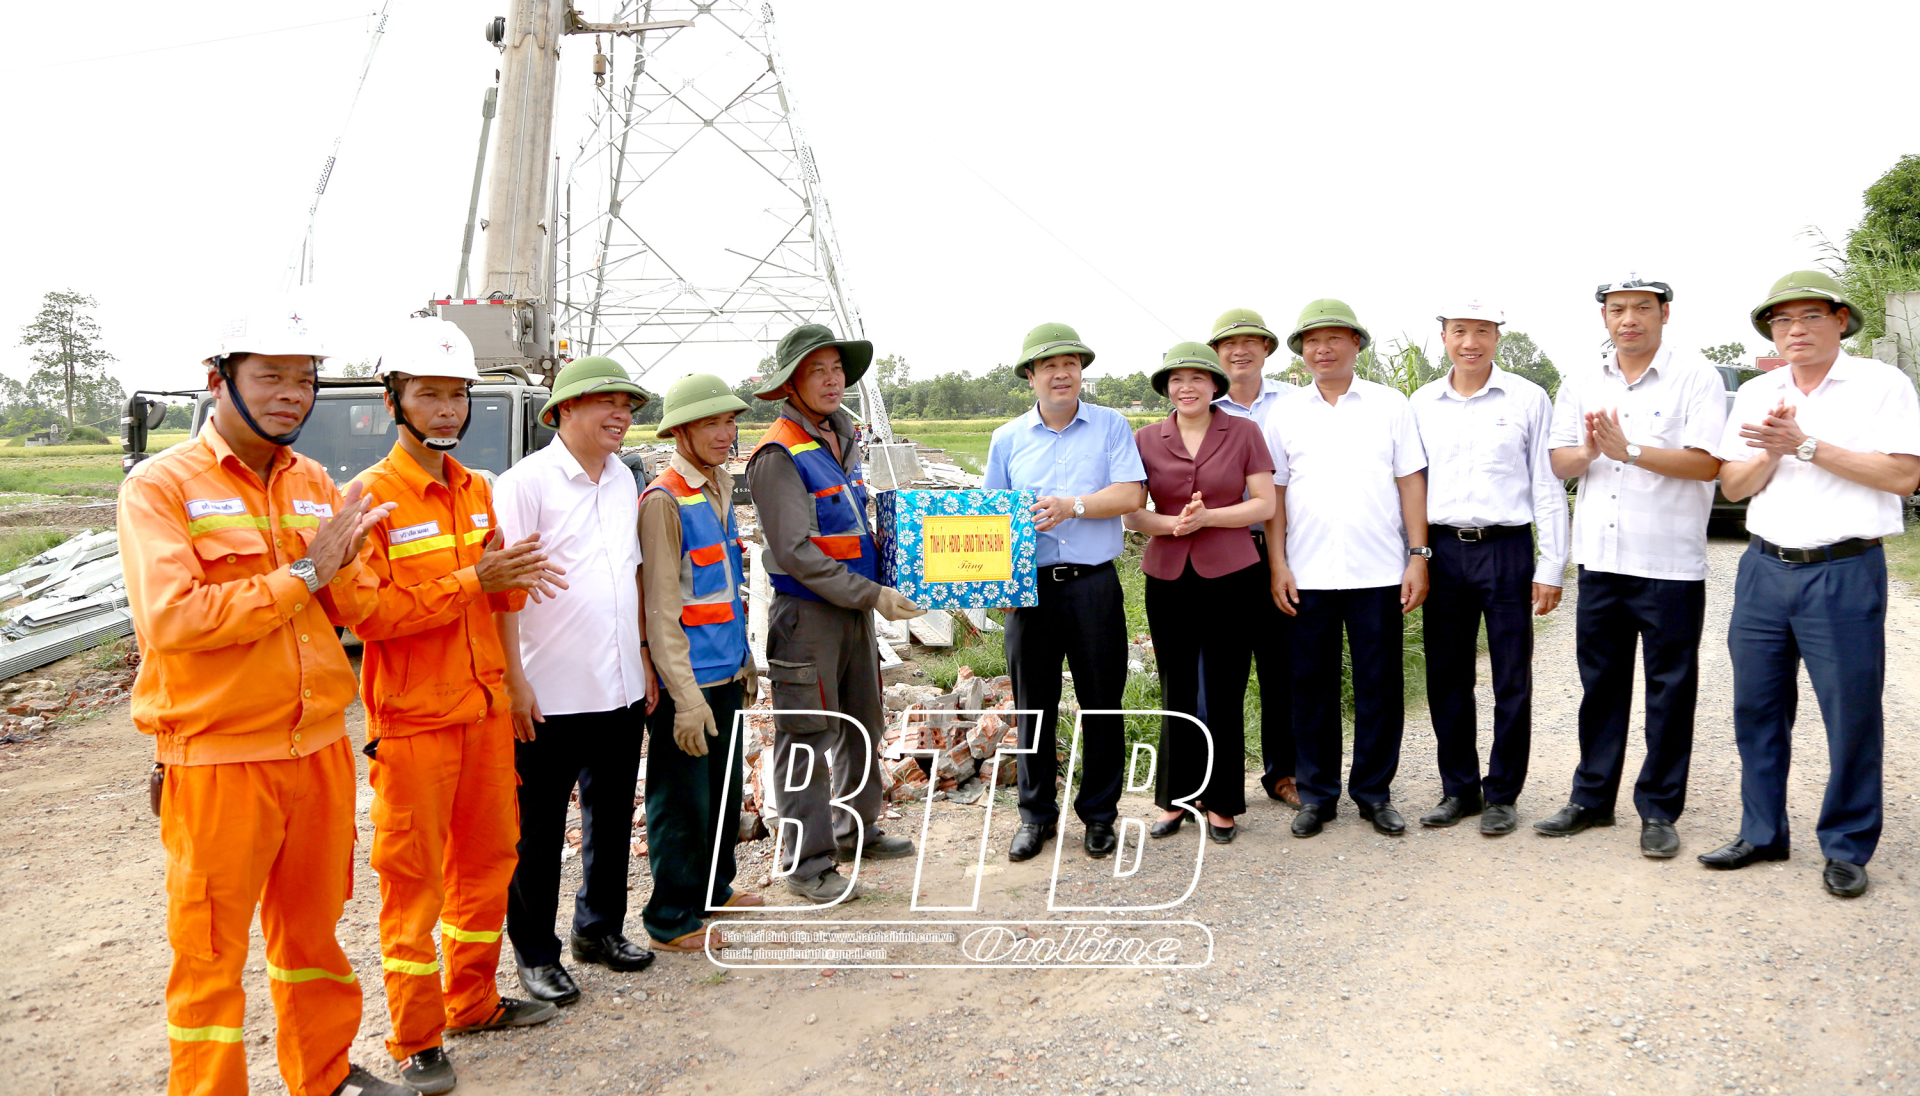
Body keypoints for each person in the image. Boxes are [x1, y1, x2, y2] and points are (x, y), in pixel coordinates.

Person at [119, 301, 413, 1096]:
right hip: (218, 759)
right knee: (210, 955)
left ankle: (323, 1076)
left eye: (304, 380)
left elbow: (353, 606)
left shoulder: (315, 482)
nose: (292, 394)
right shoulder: (162, 487)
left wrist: (366, 557)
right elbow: (176, 620)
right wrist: (309, 572)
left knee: (313, 935)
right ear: (219, 382)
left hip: (316, 748)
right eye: (271, 377)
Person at [351, 320, 567, 1093]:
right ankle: (415, 1037)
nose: (446, 410)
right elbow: (369, 616)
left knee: (488, 863)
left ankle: (472, 1000)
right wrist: (476, 580)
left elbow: (498, 592)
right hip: (413, 723)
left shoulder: (475, 490)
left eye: (456, 395)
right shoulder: (370, 500)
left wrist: (515, 590)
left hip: (480, 710)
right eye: (429, 395)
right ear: (393, 403)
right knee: (414, 881)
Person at [1701, 271, 1920, 898]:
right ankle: (1762, 831)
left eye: (1809, 318)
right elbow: (1735, 487)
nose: (1795, 330)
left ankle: (1847, 847)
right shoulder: (1758, 391)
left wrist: (1804, 445)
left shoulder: (1881, 384)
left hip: (1844, 570)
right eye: (1782, 321)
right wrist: (1770, 452)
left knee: (1850, 714)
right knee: (1756, 709)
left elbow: (1904, 476)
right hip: (1765, 569)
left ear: (1841, 320)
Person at [1539, 275, 1728, 858]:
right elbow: (1560, 463)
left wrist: (1633, 451)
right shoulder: (1581, 380)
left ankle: (1659, 809)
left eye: (1642, 309)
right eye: (1617, 310)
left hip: (1669, 562)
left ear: (1664, 314)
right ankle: (1592, 799)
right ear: (1604, 319)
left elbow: (1707, 465)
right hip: (1601, 560)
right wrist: (1594, 450)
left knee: (1669, 690)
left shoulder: (1696, 377)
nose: (1629, 319)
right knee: (1601, 686)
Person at [497, 356, 659, 1006]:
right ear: (564, 409)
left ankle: (599, 930)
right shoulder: (524, 484)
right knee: (535, 833)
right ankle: (536, 954)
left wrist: (644, 657)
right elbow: (503, 588)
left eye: (628, 404)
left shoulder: (625, 480)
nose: (621, 415)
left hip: (618, 686)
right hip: (548, 691)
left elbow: (634, 574)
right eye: (606, 403)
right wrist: (513, 680)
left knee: (613, 817)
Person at [747, 325, 923, 901]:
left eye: (837, 369)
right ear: (792, 382)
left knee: (862, 723)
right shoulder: (777, 453)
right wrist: (873, 595)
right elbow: (796, 553)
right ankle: (806, 862)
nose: (831, 379)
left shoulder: (842, 437)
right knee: (807, 737)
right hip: (807, 618)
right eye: (816, 370)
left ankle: (856, 828)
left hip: (851, 609)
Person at [1263, 300, 1429, 839]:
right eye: (1313, 340)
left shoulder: (1389, 404)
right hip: (1306, 574)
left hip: (1378, 570)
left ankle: (1374, 793)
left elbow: (1410, 483)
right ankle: (1318, 794)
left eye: (1336, 338)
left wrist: (1418, 556)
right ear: (1302, 351)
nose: (1323, 349)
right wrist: (1278, 564)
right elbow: (1275, 494)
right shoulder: (1285, 412)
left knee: (1379, 685)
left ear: (1357, 344)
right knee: (1310, 687)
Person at [984, 323, 1146, 862]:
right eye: (1048, 366)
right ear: (1030, 377)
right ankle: (1035, 817)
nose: (1061, 373)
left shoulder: (1111, 426)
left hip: (1093, 585)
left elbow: (1129, 492)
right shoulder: (1007, 439)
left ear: (1081, 373)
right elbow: (992, 519)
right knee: (1034, 706)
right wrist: (993, 585)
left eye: (1071, 364)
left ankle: (1100, 815)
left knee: (1101, 703)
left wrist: (1072, 505)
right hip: (1029, 591)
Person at [1409, 302, 1568, 836]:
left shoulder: (1527, 397)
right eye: (1459, 331)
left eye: (1482, 332)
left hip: (1506, 550)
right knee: (1447, 676)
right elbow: (1409, 486)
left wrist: (1551, 566)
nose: (1470, 342)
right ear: (1444, 337)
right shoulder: (1422, 402)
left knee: (1510, 676)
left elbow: (1546, 486)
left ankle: (1502, 793)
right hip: (1444, 549)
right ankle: (1459, 789)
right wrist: (1414, 558)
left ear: (1498, 336)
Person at [1125, 343, 1275, 843]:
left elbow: (1264, 504)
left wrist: (1209, 517)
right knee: (1178, 686)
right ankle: (1174, 799)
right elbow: (1132, 513)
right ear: (1166, 388)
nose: (1185, 387)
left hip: (1233, 573)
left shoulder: (1245, 432)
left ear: (1215, 385)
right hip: (1168, 576)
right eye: (1175, 380)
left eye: (1196, 378)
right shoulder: (1146, 437)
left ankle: (1223, 802)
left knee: (1226, 688)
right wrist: (1173, 526)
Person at [638, 374, 765, 950]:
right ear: (681, 430)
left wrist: (748, 664)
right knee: (680, 800)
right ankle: (671, 916)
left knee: (722, 792)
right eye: (711, 422)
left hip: (726, 669)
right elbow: (661, 607)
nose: (725, 432)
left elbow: (724, 587)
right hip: (689, 679)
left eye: (729, 421)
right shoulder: (663, 498)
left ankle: (716, 889)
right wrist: (683, 696)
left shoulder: (718, 484)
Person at [1206, 308, 1299, 808]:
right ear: (1216, 355)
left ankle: (1283, 773)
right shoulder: (1202, 404)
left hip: (1279, 550)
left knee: (1281, 664)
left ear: (1267, 349)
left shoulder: (1292, 403)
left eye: (1250, 342)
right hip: (1221, 553)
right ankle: (1212, 783)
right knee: (1219, 672)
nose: (1239, 352)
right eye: (1228, 345)